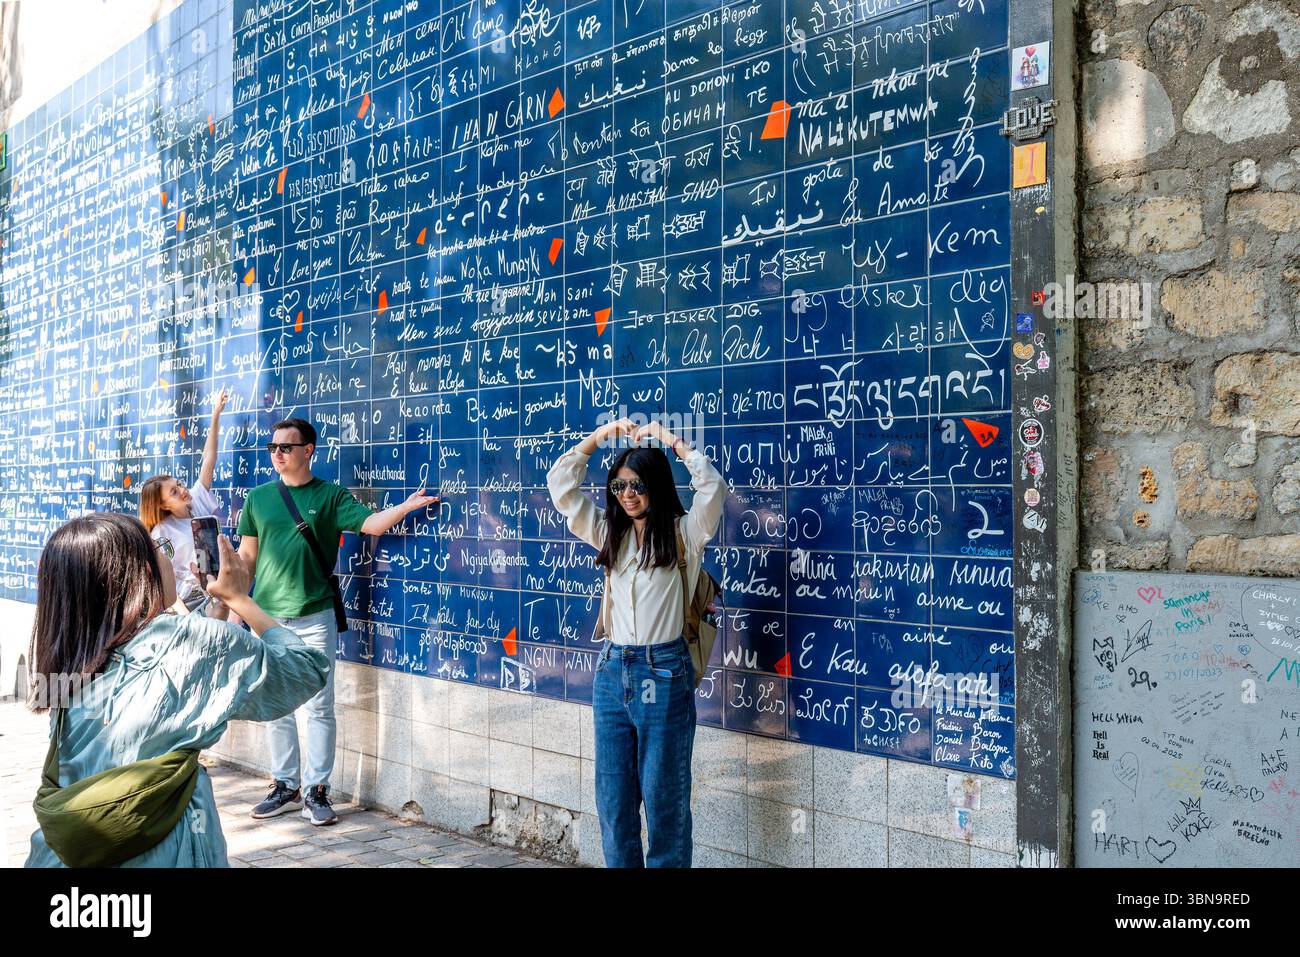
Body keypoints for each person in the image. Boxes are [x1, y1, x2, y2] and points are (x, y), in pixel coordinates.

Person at [25, 512, 329, 867]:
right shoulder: (191, 643)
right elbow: (306, 669)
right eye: (158, 548)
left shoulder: (74, 653)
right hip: (167, 848)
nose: (169, 557)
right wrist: (240, 600)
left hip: (67, 854)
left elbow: (177, 657)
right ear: (137, 573)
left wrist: (215, 605)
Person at [237, 417, 437, 825]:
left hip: (315, 615)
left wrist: (407, 506)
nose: (277, 454)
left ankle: (317, 790)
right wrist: (223, 579)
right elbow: (246, 560)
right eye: (273, 447)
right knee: (277, 703)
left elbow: (370, 524)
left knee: (319, 705)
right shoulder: (257, 498)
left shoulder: (329, 496)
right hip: (269, 618)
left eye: (286, 447)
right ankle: (285, 785)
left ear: (308, 450)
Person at [546, 416, 726, 867]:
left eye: (637, 485)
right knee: (614, 801)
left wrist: (669, 441)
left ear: (657, 487)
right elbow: (561, 486)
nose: (627, 495)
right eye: (619, 486)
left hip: (664, 671)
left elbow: (713, 487)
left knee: (664, 802)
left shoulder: (686, 534)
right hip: (611, 672)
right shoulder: (610, 534)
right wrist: (599, 437)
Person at [140, 386, 231, 617]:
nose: (182, 490)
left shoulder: (197, 500)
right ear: (163, 506)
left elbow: (209, 458)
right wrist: (185, 617)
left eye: (179, 484)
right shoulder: (162, 533)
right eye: (173, 492)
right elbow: (161, 582)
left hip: (216, 597)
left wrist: (215, 415)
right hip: (190, 607)